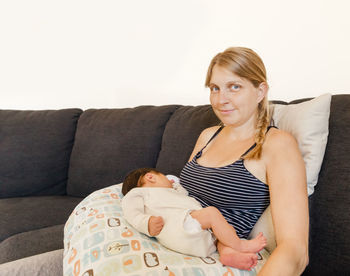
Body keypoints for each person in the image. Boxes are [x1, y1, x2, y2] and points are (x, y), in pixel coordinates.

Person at [156, 47, 309, 275]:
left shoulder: (277, 144)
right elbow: (181, 196)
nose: (221, 100)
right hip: (174, 239)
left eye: (234, 87)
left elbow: (295, 250)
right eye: (215, 88)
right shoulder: (208, 136)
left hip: (219, 259)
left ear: (260, 91)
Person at [121, 168, 267, 270]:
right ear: (150, 177)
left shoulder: (174, 192)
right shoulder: (138, 193)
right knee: (212, 213)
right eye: (164, 176)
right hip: (178, 225)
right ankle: (240, 245)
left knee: (220, 236)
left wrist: (173, 182)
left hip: (192, 237)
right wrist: (146, 223)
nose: (169, 181)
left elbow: (182, 188)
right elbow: (131, 212)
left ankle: (227, 253)